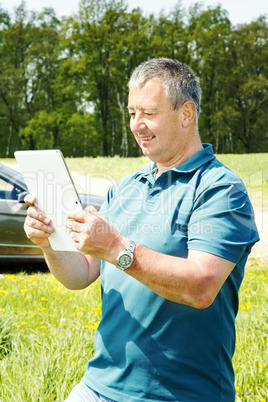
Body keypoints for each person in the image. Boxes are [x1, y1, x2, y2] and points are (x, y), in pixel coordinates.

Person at [24, 58, 259, 402]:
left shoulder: (221, 189)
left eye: (148, 113)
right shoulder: (123, 188)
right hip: (98, 386)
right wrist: (49, 244)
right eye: (132, 113)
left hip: (182, 394)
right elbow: (81, 274)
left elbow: (202, 287)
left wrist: (116, 245)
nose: (137, 125)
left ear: (186, 114)